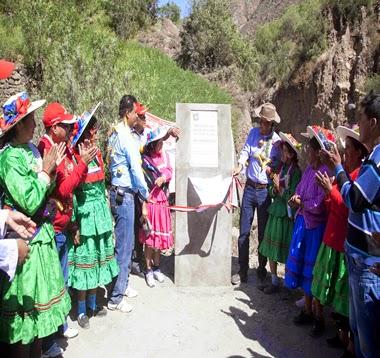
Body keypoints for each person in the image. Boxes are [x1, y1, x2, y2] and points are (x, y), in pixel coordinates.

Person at [0, 91, 70, 357]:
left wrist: (50, 174)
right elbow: (28, 200)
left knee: (39, 313)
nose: (35, 124)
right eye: (30, 120)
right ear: (18, 125)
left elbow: (42, 189)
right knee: (24, 316)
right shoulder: (9, 158)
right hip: (24, 240)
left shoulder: (29, 150)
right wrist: (45, 172)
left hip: (41, 235)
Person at [321, 92, 380, 358]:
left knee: (369, 343)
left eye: (361, 119)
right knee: (359, 333)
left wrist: (337, 169)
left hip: (369, 263)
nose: (359, 125)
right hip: (360, 257)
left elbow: (355, 199)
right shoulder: (375, 156)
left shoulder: (378, 160)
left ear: (374, 123)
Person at [38, 102, 98, 356]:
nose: (72, 128)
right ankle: (50, 339)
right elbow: (62, 189)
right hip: (52, 227)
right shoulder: (47, 150)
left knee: (60, 280)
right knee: (54, 283)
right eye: (66, 125)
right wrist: (82, 163)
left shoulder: (60, 147)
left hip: (62, 224)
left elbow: (72, 183)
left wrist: (82, 163)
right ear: (54, 129)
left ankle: (59, 327)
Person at [311, 125, 367, 348]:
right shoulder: (344, 173)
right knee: (330, 287)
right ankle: (340, 335)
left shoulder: (359, 175)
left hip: (342, 241)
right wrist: (328, 192)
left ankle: (349, 343)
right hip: (331, 236)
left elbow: (348, 206)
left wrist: (330, 191)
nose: (344, 154)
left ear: (359, 152)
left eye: (349, 149)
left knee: (343, 294)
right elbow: (332, 205)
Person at [68, 103, 119, 329]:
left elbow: (101, 188)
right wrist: (75, 224)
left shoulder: (97, 154)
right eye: (94, 129)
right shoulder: (77, 157)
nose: (96, 132)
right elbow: (72, 193)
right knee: (84, 262)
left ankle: (93, 303)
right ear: (86, 132)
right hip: (86, 218)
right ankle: (80, 311)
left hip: (100, 215)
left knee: (97, 259)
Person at [284, 125, 333, 329]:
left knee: (313, 270)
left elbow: (321, 204)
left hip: (314, 229)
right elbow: (300, 190)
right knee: (304, 266)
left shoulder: (324, 173)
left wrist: (302, 204)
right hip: (303, 225)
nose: (307, 153)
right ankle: (307, 309)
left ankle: (318, 315)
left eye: (310, 150)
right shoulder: (308, 172)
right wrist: (296, 196)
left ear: (318, 153)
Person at [107, 95, 149, 312]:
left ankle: (122, 284)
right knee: (124, 247)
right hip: (125, 195)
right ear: (127, 113)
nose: (137, 116)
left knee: (125, 242)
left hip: (117, 191)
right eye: (135, 112)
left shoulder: (114, 132)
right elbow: (135, 166)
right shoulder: (124, 136)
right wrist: (146, 194)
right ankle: (116, 297)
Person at [232, 103, 281, 285]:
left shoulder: (276, 142)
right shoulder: (253, 133)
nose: (263, 126)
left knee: (263, 232)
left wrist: (273, 170)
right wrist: (240, 164)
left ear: (272, 124)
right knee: (244, 231)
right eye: (261, 122)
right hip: (250, 188)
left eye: (266, 123)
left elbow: (277, 165)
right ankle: (242, 270)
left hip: (264, 191)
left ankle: (261, 269)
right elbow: (245, 151)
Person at [258, 132, 301, 294]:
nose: (281, 154)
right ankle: (274, 280)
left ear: (290, 154)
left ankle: (288, 284)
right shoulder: (281, 168)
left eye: (284, 151)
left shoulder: (295, 172)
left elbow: (293, 194)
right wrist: (274, 188)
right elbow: (272, 190)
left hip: (287, 215)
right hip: (276, 212)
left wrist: (279, 188)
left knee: (287, 248)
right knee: (271, 247)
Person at [140, 127, 173, 287]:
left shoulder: (164, 156)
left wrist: (163, 177)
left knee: (158, 239)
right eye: (159, 141)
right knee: (150, 240)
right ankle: (148, 269)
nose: (162, 143)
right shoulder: (145, 161)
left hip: (162, 202)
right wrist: (144, 206)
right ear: (152, 144)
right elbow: (143, 184)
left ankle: (157, 267)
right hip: (151, 202)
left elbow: (169, 171)